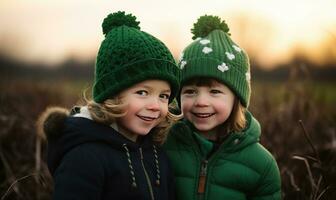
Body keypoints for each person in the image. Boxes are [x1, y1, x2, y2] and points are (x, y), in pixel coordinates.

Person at [37, 11, 180, 200]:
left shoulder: (156, 154)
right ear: (111, 96)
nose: (155, 105)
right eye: (142, 93)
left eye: (164, 96)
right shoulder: (85, 156)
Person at [163, 15, 281, 199]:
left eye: (215, 92)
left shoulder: (261, 165)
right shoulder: (162, 144)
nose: (201, 101)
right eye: (190, 91)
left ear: (237, 99)